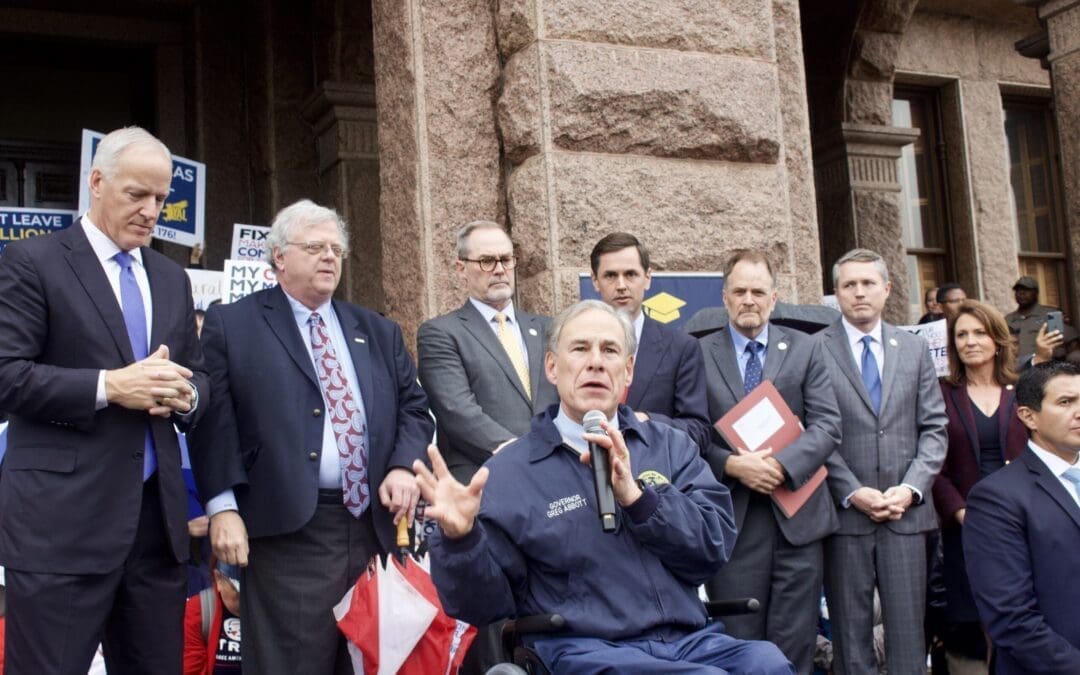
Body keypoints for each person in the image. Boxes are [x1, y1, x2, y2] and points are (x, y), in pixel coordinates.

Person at [416, 300, 795, 674]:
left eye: (609, 350)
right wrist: (461, 540)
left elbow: (711, 550)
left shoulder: (668, 447)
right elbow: (483, 606)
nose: (595, 361)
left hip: (688, 642)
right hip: (584, 650)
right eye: (580, 348)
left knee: (768, 663)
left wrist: (640, 501)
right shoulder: (511, 471)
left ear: (628, 371)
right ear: (552, 366)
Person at [188, 199, 433, 674]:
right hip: (288, 534)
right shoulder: (233, 324)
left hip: (373, 531)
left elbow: (414, 407)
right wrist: (222, 510)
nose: (329, 258)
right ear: (279, 256)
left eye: (337, 250)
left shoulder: (376, 330)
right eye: (316, 247)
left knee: (371, 663)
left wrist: (403, 464)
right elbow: (214, 423)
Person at [0, 126, 207, 674]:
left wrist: (184, 396)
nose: (150, 210)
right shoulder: (33, 263)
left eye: (161, 198)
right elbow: (6, 375)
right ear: (97, 181)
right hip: (60, 528)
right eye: (136, 194)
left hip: (155, 533)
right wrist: (109, 386)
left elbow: (200, 377)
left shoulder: (170, 277)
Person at [699, 249, 840, 674]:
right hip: (734, 522)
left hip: (798, 521)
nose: (749, 300)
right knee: (738, 644)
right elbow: (691, 434)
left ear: (774, 298)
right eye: (739, 291)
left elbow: (828, 425)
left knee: (794, 647)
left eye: (758, 291)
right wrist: (730, 465)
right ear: (724, 297)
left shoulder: (806, 349)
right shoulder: (698, 354)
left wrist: (780, 467)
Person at [816, 248, 947, 674]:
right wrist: (853, 492)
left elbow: (934, 428)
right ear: (836, 294)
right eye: (849, 285)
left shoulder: (913, 349)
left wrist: (910, 489)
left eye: (868, 283)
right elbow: (812, 432)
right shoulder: (814, 350)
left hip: (905, 518)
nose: (859, 292)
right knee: (851, 643)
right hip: (846, 519)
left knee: (909, 640)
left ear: (886, 289)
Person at [963, 360, 1080, 674]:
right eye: (1066, 402)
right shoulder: (996, 498)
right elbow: (1011, 618)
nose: (1079, 411)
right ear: (1028, 416)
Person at [417, 220, 556, 483]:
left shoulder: (549, 328)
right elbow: (456, 410)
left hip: (554, 475)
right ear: (461, 269)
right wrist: (523, 455)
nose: (500, 270)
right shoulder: (441, 333)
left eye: (506, 259)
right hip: (484, 480)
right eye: (486, 261)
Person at [931, 300, 1028, 671]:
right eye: (961, 335)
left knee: (1020, 621)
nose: (970, 341)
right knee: (974, 630)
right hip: (965, 528)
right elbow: (933, 466)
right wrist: (960, 512)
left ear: (998, 339)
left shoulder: (1023, 391)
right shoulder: (942, 394)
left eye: (979, 332)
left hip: (1021, 524)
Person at [589, 232, 711, 451]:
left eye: (630, 274)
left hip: (656, 477)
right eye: (610, 276)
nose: (621, 285)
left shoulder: (681, 348)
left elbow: (698, 431)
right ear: (595, 281)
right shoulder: (576, 346)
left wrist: (647, 421)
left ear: (648, 277)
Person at [183, 559, 242, 675]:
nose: (245, 600)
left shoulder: (272, 608)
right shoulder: (199, 610)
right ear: (218, 579)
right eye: (237, 592)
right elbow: (192, 670)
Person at [1004, 275, 1061, 362]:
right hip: (1015, 368)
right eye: (1018, 290)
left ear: (1036, 293)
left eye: (1026, 290)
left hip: (1044, 365)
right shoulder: (1007, 319)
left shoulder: (1052, 314)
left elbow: (1066, 343)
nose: (1021, 293)